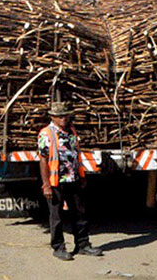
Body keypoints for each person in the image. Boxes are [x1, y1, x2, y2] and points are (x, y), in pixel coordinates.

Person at [38, 101, 102, 261]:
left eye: (66, 116)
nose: (64, 119)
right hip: (56, 181)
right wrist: (46, 184)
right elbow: (43, 160)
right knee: (57, 216)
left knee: (80, 213)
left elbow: (76, 155)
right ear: (53, 117)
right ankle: (58, 247)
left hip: (73, 178)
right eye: (60, 117)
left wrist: (81, 177)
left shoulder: (71, 131)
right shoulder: (46, 134)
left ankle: (83, 245)